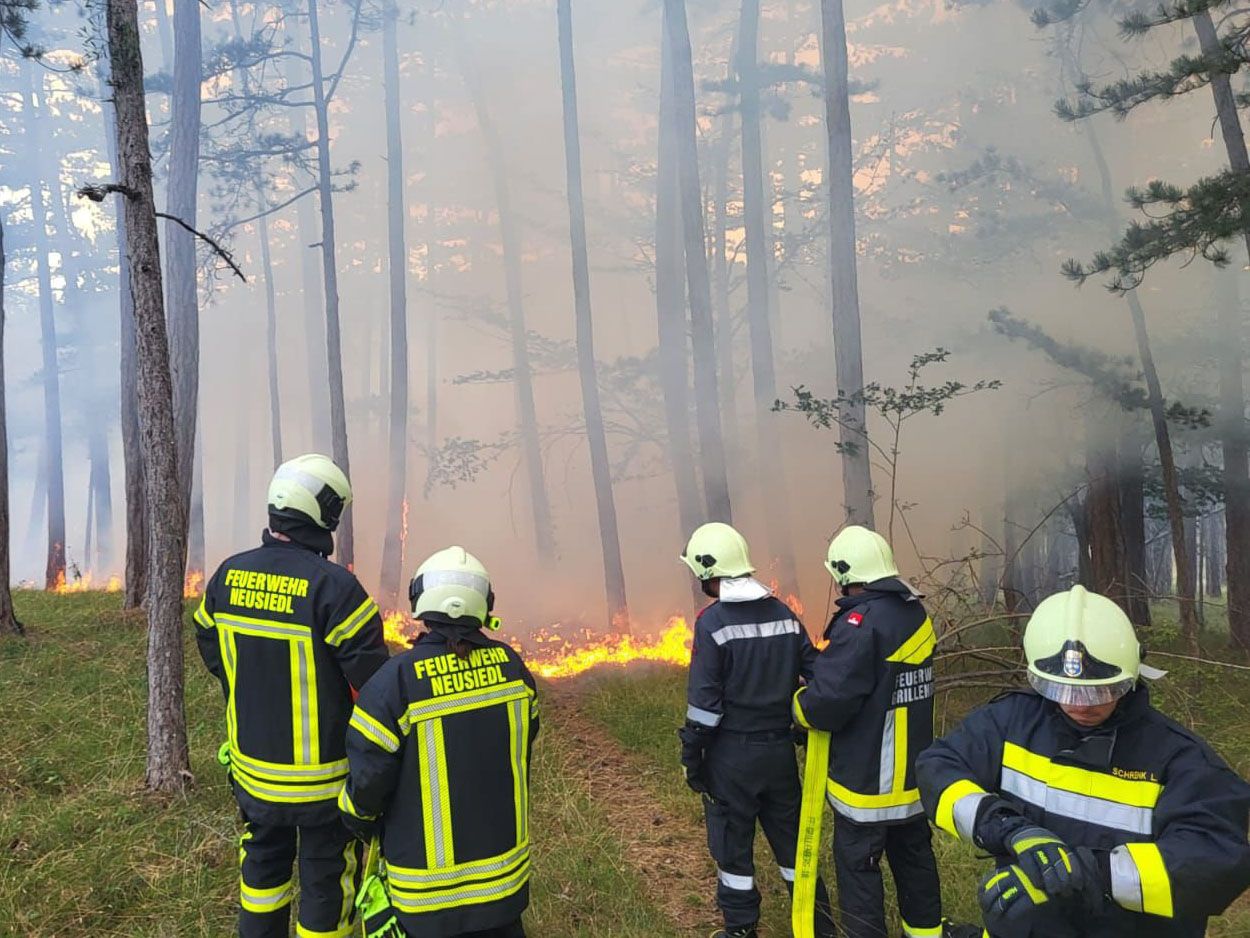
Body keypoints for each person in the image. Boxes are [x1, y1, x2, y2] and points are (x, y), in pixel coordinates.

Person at [916, 585, 1250, 938]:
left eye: (1101, 689)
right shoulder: (1012, 722)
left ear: (1132, 675)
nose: (1081, 704)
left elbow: (1214, 862)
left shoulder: (1179, 759)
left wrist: (1089, 874)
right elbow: (938, 768)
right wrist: (1009, 829)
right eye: (1063, 689)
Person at [194, 453, 390, 938]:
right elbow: (376, 686)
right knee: (328, 882)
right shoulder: (336, 589)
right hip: (323, 785)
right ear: (322, 513)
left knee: (262, 870)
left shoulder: (227, 576)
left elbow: (210, 645)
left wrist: (250, 685)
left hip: (253, 773)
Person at [338, 546, 538, 938]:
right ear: (485, 604)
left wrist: (356, 818)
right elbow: (523, 742)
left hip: (426, 899)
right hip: (503, 889)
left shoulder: (394, 682)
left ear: (421, 603)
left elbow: (368, 781)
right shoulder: (513, 670)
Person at [793, 525, 958, 938]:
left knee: (859, 872)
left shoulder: (861, 623)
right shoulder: (913, 613)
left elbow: (828, 702)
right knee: (915, 863)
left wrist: (798, 706)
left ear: (845, 573)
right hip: (913, 782)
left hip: (867, 786)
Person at [678, 521, 836, 938]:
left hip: (732, 758)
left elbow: (704, 708)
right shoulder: (784, 614)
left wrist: (692, 758)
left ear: (708, 571)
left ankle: (741, 929)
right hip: (780, 754)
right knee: (794, 849)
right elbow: (818, 675)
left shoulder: (712, 623)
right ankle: (819, 927)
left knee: (734, 852)